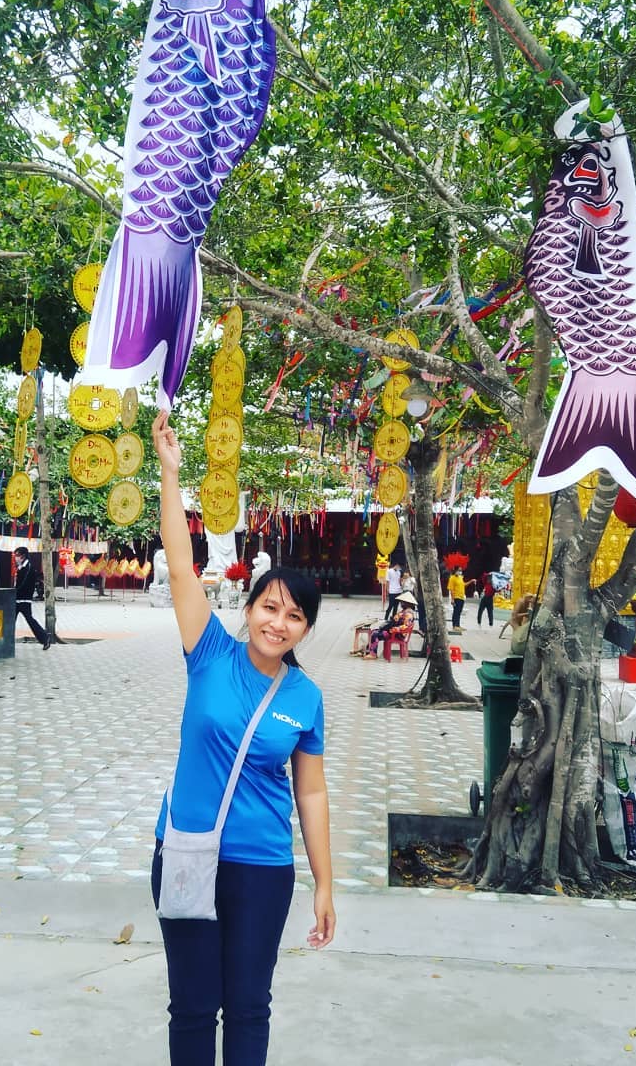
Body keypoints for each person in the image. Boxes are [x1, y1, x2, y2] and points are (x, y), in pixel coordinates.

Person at [151, 412, 335, 1066]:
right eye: (269, 606)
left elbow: (311, 796)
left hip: (261, 868)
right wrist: (171, 475)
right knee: (194, 1007)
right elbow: (179, 568)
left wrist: (324, 883)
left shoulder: (304, 698)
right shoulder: (209, 654)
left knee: (249, 1006)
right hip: (187, 851)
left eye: (294, 615)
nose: (278, 622)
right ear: (249, 607)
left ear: (305, 629)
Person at [13, 546, 51, 649]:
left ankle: (44, 638)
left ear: (23, 556)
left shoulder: (28, 568)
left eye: (17, 556)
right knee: (11, 621)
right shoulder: (21, 568)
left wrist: (13, 591)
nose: (15, 558)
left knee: (30, 620)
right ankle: (44, 638)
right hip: (17, 599)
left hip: (24, 599)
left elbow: (22, 584)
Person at [364, 591, 417, 658]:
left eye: (403, 602)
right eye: (401, 602)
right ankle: (369, 651)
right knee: (374, 631)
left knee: (375, 634)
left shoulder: (408, 614)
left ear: (408, 603)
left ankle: (373, 654)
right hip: (394, 632)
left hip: (397, 634)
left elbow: (406, 626)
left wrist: (394, 629)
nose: (401, 603)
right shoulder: (404, 611)